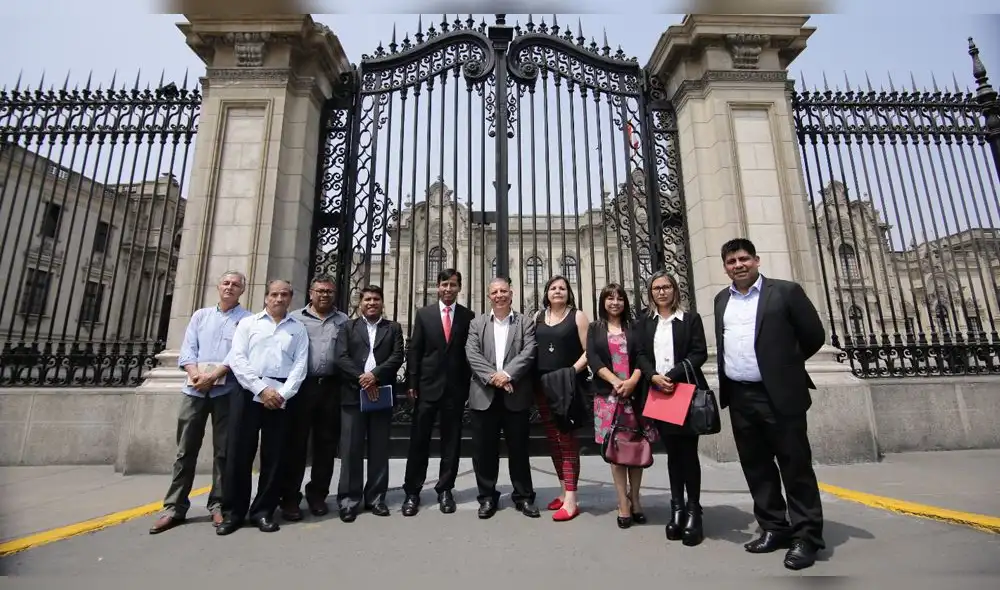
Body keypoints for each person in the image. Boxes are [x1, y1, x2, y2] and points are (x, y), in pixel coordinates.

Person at [714, 238, 826, 570]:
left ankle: (807, 536)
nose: (739, 265)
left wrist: (784, 368)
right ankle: (774, 527)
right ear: (725, 267)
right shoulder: (722, 299)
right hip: (740, 395)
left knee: (795, 465)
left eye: (744, 259)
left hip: (778, 394)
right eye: (732, 261)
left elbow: (813, 335)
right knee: (757, 466)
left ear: (757, 260)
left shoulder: (785, 292)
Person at [150, 271, 252, 534]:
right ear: (218, 286)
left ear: (243, 290)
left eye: (236, 285)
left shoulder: (248, 320)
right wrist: (196, 375)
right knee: (185, 451)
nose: (230, 287)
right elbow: (187, 350)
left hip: (226, 391)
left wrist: (215, 375)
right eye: (226, 283)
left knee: (224, 452)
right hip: (194, 390)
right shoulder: (200, 316)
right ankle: (174, 507)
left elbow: (238, 355)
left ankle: (218, 504)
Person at [217, 279, 310, 535]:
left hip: (280, 397)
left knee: (275, 456)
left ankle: (263, 511)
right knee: (238, 454)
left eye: (284, 295)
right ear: (266, 297)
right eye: (274, 294)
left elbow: (300, 366)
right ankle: (233, 513)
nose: (279, 299)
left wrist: (282, 394)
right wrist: (261, 389)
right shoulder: (248, 324)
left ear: (291, 298)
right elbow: (238, 358)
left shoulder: (298, 329)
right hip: (248, 393)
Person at [635, 271, 708, 546]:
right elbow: (640, 353)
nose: (661, 292)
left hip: (683, 392)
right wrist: (653, 375)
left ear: (675, 290)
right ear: (650, 293)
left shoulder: (689, 320)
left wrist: (674, 374)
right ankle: (677, 507)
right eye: (656, 288)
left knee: (688, 452)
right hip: (659, 393)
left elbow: (698, 352)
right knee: (673, 453)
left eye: (666, 287)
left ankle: (694, 510)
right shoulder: (646, 322)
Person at [401, 269, 475, 516]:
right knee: (419, 442)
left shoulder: (468, 316)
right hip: (426, 388)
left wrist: (467, 384)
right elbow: (415, 350)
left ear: (459, 287)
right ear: (437, 286)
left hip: (454, 389)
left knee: (451, 443)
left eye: (453, 285)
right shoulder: (424, 315)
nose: (448, 289)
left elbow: (469, 354)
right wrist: (412, 382)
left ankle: (445, 489)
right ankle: (412, 491)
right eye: (444, 284)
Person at [465, 277, 540, 519]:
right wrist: (494, 377)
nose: (499, 295)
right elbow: (472, 353)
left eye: (503, 291)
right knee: (484, 450)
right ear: (489, 296)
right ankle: (487, 497)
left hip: (514, 394)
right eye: (495, 292)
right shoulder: (477, 324)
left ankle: (524, 497)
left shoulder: (525, 323)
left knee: (519, 449)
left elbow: (529, 352)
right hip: (484, 394)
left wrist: (507, 374)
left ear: (512, 293)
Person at [587, 283, 659, 529]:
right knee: (616, 453)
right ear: (603, 302)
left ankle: (636, 499)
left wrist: (632, 382)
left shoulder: (634, 327)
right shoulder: (595, 328)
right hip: (608, 396)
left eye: (619, 298)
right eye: (610, 298)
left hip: (634, 394)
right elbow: (593, 358)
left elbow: (642, 355)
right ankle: (623, 502)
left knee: (636, 447)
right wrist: (616, 382)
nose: (615, 302)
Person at [277, 275, 349, 521]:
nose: (325, 295)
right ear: (310, 293)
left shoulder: (343, 320)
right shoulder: (294, 318)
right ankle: (290, 498)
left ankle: (318, 495)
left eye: (329, 291)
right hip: (301, 388)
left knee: (326, 445)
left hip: (331, 387)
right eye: (320, 291)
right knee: (296, 445)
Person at [334, 284, 405, 523]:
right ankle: (349, 500)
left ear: (382, 302)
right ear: (360, 303)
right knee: (351, 450)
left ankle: (376, 498)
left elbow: (397, 356)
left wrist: (374, 375)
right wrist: (362, 379)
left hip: (381, 393)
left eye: (376, 299)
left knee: (379, 449)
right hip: (354, 395)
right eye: (367, 299)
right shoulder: (347, 327)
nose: (371, 303)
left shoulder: (393, 328)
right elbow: (341, 357)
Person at [533, 275, 590, 521]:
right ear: (546, 292)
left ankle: (572, 499)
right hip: (543, 386)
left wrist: (571, 372)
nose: (558, 291)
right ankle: (563, 489)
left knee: (566, 440)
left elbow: (590, 351)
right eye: (553, 288)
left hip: (567, 385)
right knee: (553, 440)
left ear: (569, 292)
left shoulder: (577, 316)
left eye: (563, 288)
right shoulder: (537, 317)